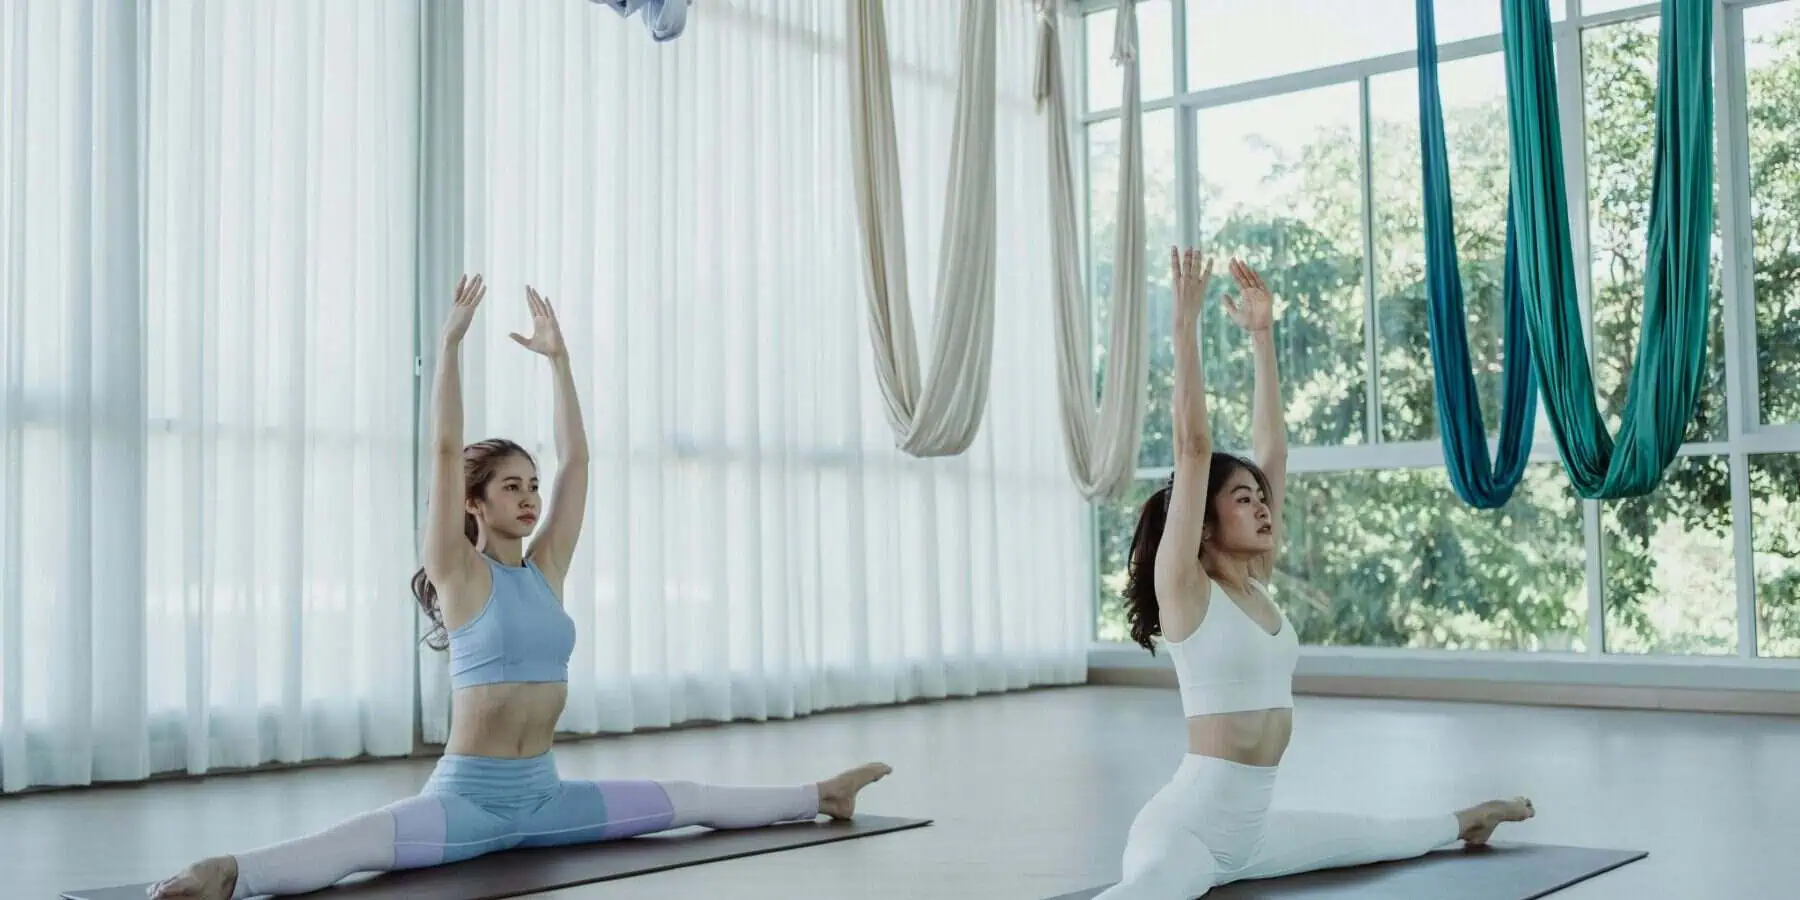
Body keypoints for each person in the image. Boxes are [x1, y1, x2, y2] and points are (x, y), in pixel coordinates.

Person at [148, 275, 890, 900]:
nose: (530, 498)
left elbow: (579, 463)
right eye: (511, 487)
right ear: (476, 502)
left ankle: (823, 795)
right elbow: (443, 450)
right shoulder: (459, 572)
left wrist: (559, 363)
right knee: (358, 844)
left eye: (531, 486)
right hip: (468, 802)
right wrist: (448, 348)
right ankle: (229, 874)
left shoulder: (547, 570)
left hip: (547, 798)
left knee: (685, 800)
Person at [1095, 250, 1535, 899]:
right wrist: (1184, 327)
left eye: (1262, 497)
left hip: (1253, 833)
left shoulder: (1255, 584)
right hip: (1186, 831)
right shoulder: (1187, 591)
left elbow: (1273, 453)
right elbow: (1193, 446)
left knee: (1382, 837)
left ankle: (1468, 820)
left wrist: (1263, 337)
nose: (1263, 505)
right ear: (1205, 525)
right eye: (1242, 499)